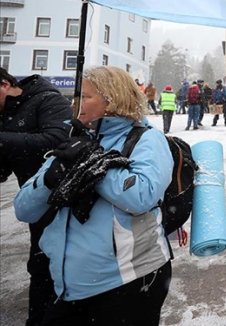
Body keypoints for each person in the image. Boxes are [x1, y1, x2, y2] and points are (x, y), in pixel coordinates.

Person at [14, 66, 173, 325]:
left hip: (128, 281)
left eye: (87, 96)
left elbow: (142, 196)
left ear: (112, 99)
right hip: (65, 286)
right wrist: (48, 179)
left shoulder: (147, 140)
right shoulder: (74, 140)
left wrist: (92, 166)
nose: (76, 102)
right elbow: (24, 210)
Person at [1, 68, 72, 326]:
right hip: (34, 202)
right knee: (40, 264)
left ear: (4, 84)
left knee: (57, 264)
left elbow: (56, 140)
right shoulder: (4, 114)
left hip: (63, 198)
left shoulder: (48, 99)